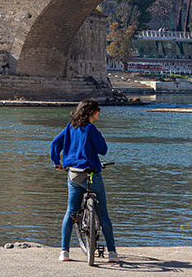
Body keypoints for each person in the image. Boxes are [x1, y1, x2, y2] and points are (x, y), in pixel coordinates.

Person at [49, 98, 118, 263]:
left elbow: (54, 144)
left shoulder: (70, 127)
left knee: (71, 212)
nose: (100, 112)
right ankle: (112, 253)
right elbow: (103, 150)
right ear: (91, 113)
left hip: (73, 174)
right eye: (98, 109)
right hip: (91, 174)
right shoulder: (91, 129)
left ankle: (64, 252)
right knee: (104, 215)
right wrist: (98, 136)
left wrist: (56, 162)